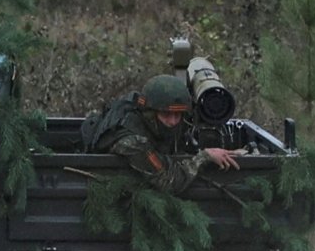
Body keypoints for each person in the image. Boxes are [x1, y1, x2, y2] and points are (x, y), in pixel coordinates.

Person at [92, 74, 240, 194]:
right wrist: (203, 157)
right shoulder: (132, 142)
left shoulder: (145, 109)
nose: (173, 121)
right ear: (150, 112)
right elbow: (168, 181)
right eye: (166, 114)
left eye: (178, 115)